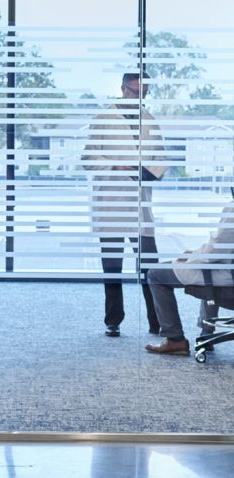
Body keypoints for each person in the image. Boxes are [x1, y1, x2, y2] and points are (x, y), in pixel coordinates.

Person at [82, 72, 168, 337]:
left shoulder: (149, 121)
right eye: (134, 92)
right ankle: (113, 321)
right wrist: (116, 165)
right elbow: (88, 158)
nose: (139, 97)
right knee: (112, 267)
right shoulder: (104, 119)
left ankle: (157, 323)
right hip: (111, 204)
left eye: (144, 93)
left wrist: (151, 170)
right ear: (122, 89)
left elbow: (161, 159)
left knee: (149, 268)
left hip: (140, 207)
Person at [145, 202, 234, 355]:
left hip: (229, 277)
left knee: (156, 274)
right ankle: (207, 335)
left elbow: (215, 250)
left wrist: (191, 257)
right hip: (228, 271)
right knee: (206, 270)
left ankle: (175, 340)